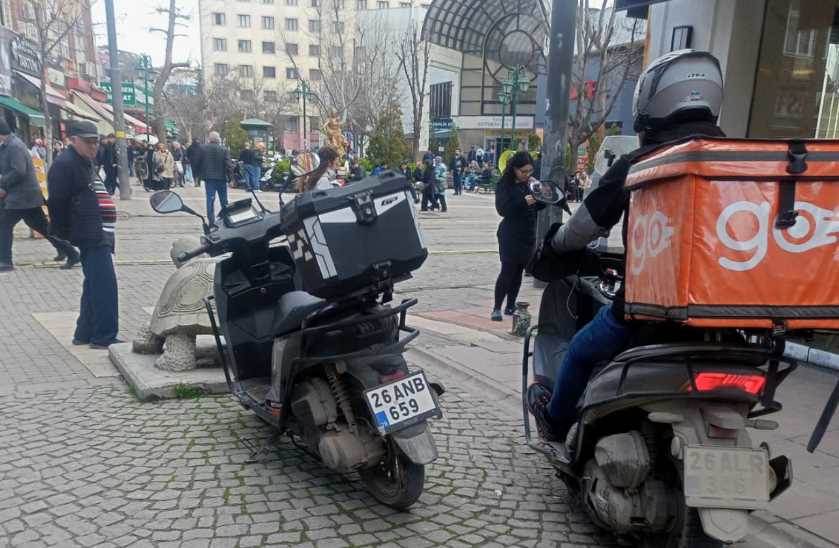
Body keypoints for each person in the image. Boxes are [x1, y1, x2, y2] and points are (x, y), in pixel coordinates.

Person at [527, 49, 727, 446]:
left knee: (581, 350)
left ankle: (556, 421)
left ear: (653, 101)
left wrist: (555, 245)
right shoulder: (744, 160)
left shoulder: (642, 162)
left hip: (648, 313)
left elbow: (584, 225)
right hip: (730, 319)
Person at [47, 120, 120, 348]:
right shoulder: (65, 164)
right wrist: (67, 233)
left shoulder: (83, 160)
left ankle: (84, 333)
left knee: (93, 284)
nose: (93, 147)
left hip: (98, 230)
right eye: (88, 142)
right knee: (105, 286)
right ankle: (104, 336)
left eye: (95, 142)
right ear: (73, 140)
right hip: (90, 232)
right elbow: (57, 203)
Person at [0, 120, 79, 272]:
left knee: (3, 225)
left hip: (22, 197)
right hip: (22, 197)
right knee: (42, 227)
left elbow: (19, 171)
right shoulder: (7, 146)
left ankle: (5, 261)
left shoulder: (14, 146)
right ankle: (69, 251)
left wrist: (3, 183)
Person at [491, 151, 544, 321]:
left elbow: (539, 207)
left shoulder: (530, 183)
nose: (527, 175)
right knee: (507, 271)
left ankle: (510, 305)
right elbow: (502, 209)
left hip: (527, 235)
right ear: (514, 169)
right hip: (510, 234)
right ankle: (497, 307)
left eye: (530, 171)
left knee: (519, 272)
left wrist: (541, 195)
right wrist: (523, 202)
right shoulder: (504, 185)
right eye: (523, 171)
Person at [201, 132, 231, 227]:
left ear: (209, 139)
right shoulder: (224, 149)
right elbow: (228, 164)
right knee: (224, 201)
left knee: (210, 200)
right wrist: (231, 177)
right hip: (221, 178)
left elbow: (199, 162)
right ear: (218, 139)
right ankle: (226, 219)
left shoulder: (203, 149)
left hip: (209, 178)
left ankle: (211, 222)